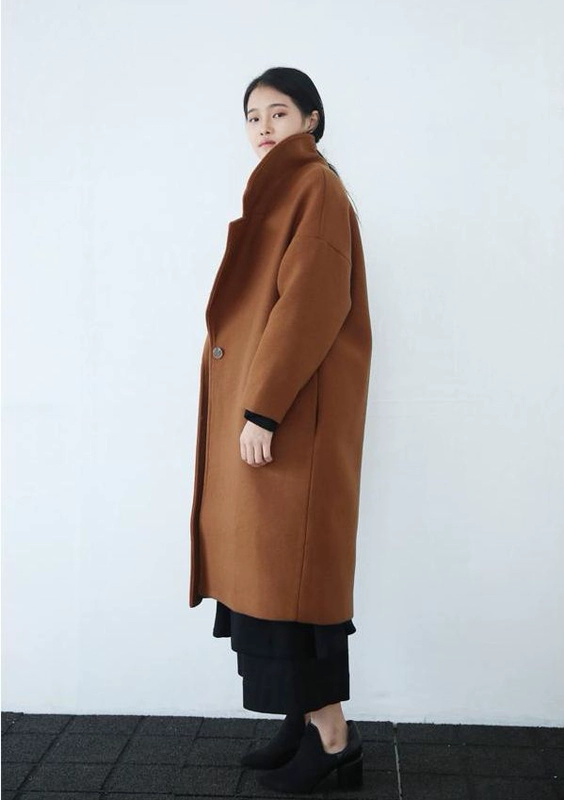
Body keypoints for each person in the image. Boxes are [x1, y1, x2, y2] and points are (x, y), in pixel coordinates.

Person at [189, 67, 372, 794]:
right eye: (253, 116)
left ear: (312, 120)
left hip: (289, 420)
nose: (264, 127)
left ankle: (334, 740)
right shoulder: (283, 188)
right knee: (270, 582)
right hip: (274, 416)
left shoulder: (313, 186)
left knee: (293, 587)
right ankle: (300, 725)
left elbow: (310, 302)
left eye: (280, 113)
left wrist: (262, 407)